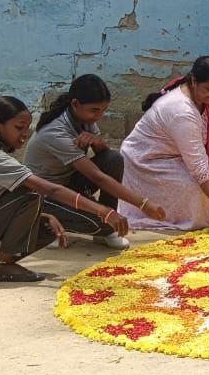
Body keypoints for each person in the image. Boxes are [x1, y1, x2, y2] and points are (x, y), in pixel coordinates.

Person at [0, 97, 129, 283]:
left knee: (48, 226)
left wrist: (44, 216)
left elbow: (0, 203)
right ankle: (2, 263)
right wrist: (103, 210)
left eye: (27, 128)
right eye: (19, 128)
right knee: (32, 192)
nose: (25, 134)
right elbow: (51, 190)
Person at [24, 74, 165, 250]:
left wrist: (98, 142)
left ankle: (102, 231)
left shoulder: (84, 119)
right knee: (104, 224)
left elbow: (106, 160)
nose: (99, 116)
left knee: (114, 159)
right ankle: (41, 226)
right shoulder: (55, 131)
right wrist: (143, 203)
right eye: (94, 110)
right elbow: (97, 177)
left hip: (68, 185)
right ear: (75, 104)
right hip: (45, 196)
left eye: (103, 110)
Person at [118, 56, 209, 230]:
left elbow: (205, 122)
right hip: (147, 162)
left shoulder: (205, 97)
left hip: (176, 153)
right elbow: (199, 168)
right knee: (197, 190)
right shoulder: (181, 112)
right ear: (194, 81)